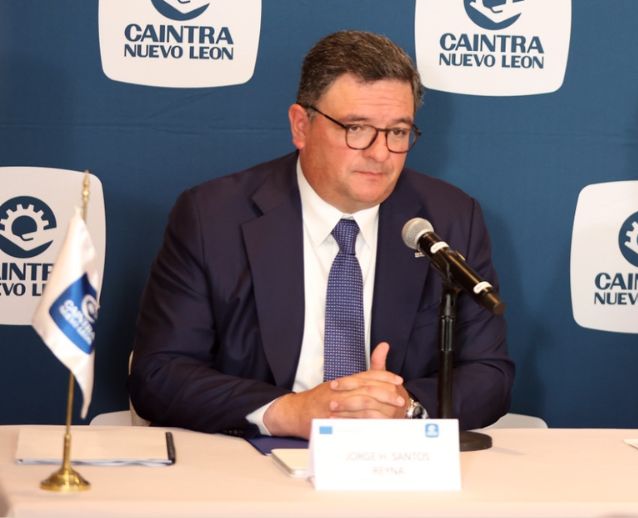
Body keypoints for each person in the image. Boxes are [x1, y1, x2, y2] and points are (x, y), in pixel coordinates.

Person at [130, 30, 513, 438]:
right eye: (356, 128)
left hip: (394, 464)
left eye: (398, 132)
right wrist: (288, 412)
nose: (380, 153)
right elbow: (159, 374)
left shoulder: (449, 218)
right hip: (253, 465)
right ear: (301, 125)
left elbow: (490, 374)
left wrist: (403, 407)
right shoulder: (213, 217)